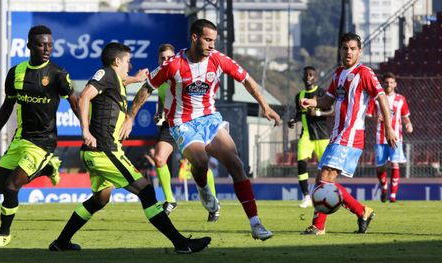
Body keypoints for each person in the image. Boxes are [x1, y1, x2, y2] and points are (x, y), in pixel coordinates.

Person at [120, 19, 281, 241]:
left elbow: (246, 79)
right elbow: (147, 88)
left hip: (209, 119)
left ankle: (255, 223)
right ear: (194, 37)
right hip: (182, 122)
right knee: (201, 161)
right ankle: (203, 187)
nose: (212, 45)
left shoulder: (218, 59)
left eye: (214, 40)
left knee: (235, 163)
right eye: (207, 40)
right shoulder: (173, 65)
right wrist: (130, 117)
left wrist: (265, 106)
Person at [48, 42, 210, 254]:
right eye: (127, 61)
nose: (129, 64)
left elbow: (122, 80)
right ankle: (181, 243)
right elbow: (85, 96)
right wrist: (85, 131)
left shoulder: (114, 79)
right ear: (117, 61)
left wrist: (137, 78)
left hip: (98, 152)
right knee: (147, 191)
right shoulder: (104, 73)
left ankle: (61, 242)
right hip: (105, 151)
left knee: (100, 200)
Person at [0, 25, 79, 247]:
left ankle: (3, 234)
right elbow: (8, 105)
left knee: (11, 187)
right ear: (29, 46)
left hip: (43, 143)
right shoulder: (16, 72)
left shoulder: (58, 74)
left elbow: (74, 103)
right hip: (20, 138)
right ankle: (47, 168)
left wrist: (87, 130)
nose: (46, 49)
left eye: (49, 45)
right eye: (41, 44)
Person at [299, 32, 397, 235]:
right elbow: (327, 100)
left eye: (353, 48)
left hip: (351, 135)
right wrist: (312, 102)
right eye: (345, 48)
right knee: (321, 181)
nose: (349, 52)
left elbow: (382, 100)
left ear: (360, 51)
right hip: (337, 134)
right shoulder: (337, 74)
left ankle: (318, 227)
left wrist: (388, 127)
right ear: (340, 50)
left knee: (326, 178)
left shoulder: (365, 73)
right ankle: (363, 212)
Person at [152, 43, 218, 220]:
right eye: (162, 58)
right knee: (159, 158)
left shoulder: (182, 73)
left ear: (174, 58)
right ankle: (169, 200)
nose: (165, 61)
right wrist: (159, 113)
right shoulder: (159, 78)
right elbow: (162, 99)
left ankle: (213, 204)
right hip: (169, 125)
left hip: (187, 125)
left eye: (168, 58)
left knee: (200, 164)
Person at [288, 66, 333, 208]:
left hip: (322, 136)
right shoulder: (299, 96)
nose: (308, 77)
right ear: (302, 77)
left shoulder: (321, 93)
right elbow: (299, 113)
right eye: (306, 75)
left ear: (315, 77)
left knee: (326, 169)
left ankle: (325, 196)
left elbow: (332, 111)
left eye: (311, 75)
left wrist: (318, 114)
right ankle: (306, 196)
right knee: (301, 163)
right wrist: (293, 120)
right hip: (306, 135)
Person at [367, 72, 413, 203]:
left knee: (395, 163)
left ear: (395, 84)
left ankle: (392, 195)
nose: (389, 84)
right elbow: (368, 115)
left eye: (391, 82)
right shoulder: (376, 99)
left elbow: (405, 117)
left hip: (396, 137)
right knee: (380, 167)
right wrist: (376, 117)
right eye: (386, 82)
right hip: (380, 137)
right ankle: (384, 187)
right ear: (383, 84)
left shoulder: (401, 99)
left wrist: (408, 124)